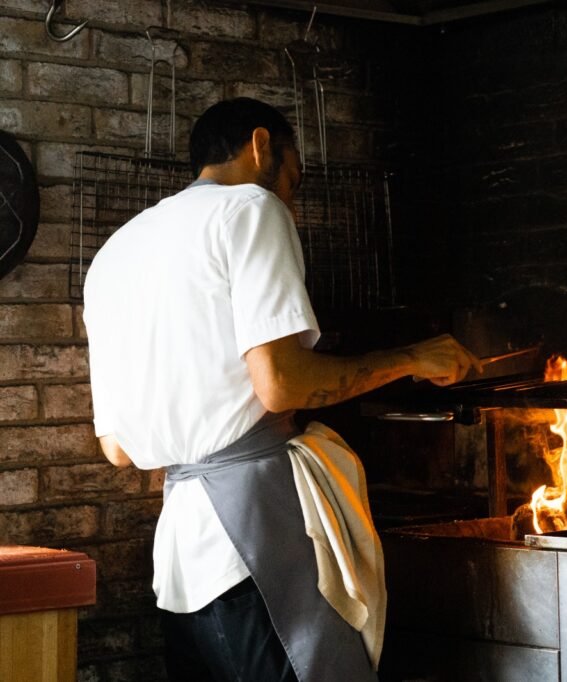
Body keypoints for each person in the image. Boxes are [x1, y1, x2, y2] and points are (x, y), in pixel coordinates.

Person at [83, 97, 480, 682]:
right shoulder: (250, 208)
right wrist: (413, 358)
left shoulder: (113, 254)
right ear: (261, 145)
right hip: (253, 548)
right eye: (294, 178)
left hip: (178, 566)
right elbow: (282, 384)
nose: (291, 197)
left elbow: (116, 447)